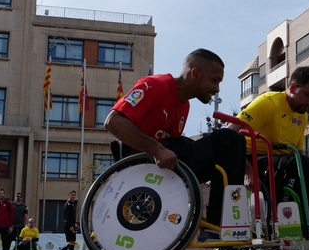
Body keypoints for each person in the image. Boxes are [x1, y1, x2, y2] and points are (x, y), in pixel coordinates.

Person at [105, 48, 246, 228]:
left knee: (236, 142)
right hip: (142, 166)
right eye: (215, 80)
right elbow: (112, 122)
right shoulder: (155, 85)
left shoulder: (184, 106)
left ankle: (225, 219)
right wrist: (157, 149)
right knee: (228, 139)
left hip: (168, 162)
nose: (217, 88)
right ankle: (219, 223)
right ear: (195, 73)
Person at [228, 66, 309, 234]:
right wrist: (248, 171)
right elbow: (230, 133)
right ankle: (280, 224)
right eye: (307, 94)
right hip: (252, 158)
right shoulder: (268, 103)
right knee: (300, 164)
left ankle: (305, 228)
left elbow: (298, 152)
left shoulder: (301, 114)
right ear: (291, 88)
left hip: (281, 161)